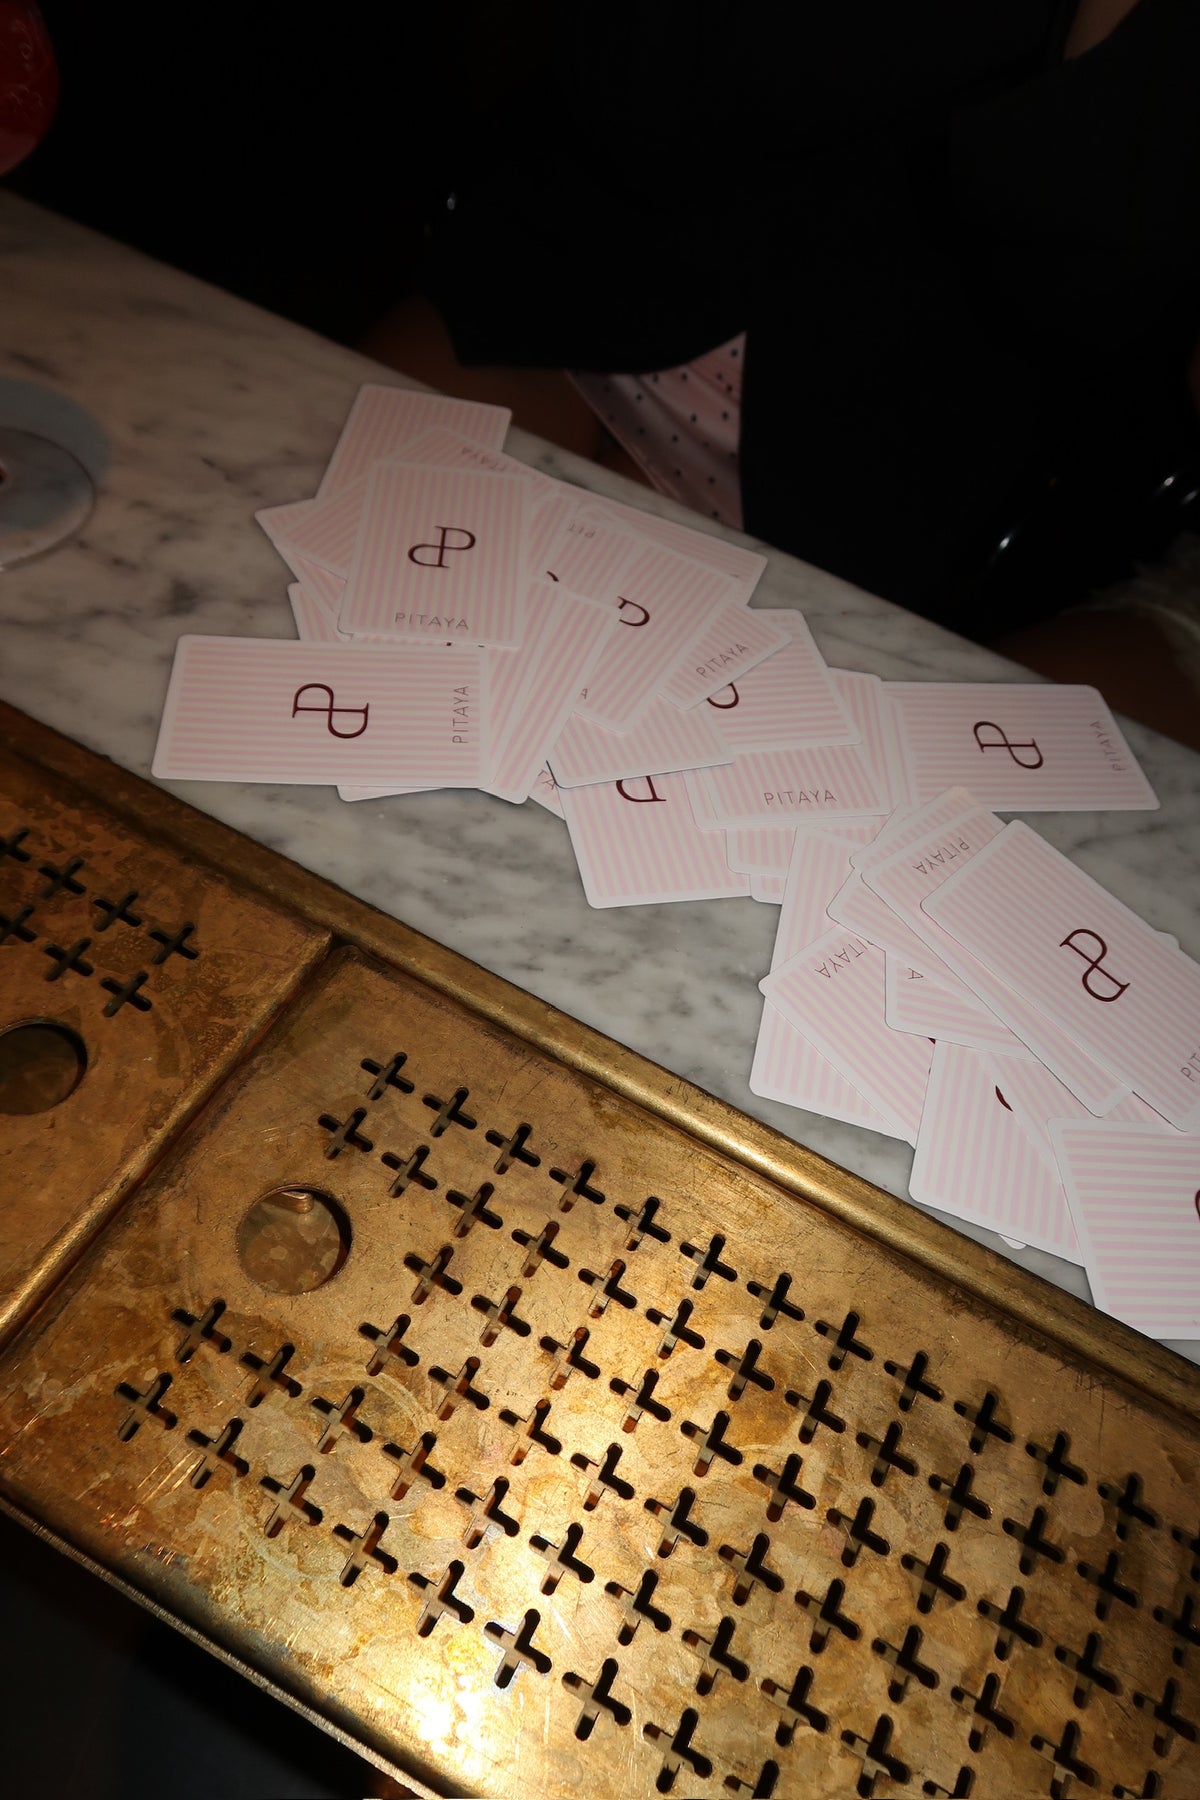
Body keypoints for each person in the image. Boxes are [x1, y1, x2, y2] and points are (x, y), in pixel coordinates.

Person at [366, 0, 1200, 641]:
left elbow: (1092, 302)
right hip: (579, 285)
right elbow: (633, 89)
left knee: (572, 727)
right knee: (355, 596)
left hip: (878, 445)